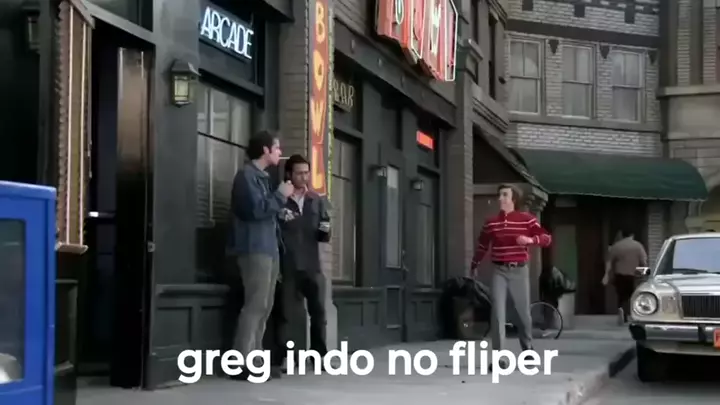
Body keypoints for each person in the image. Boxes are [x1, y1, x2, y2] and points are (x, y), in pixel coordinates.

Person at [227, 130, 293, 381]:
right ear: (265, 150)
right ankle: (240, 361)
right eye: (276, 147)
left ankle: (255, 359)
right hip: (253, 248)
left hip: (269, 247)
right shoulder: (246, 177)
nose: (280, 152)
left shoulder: (262, 178)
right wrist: (280, 196)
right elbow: (254, 210)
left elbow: (265, 210)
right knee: (255, 305)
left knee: (264, 306)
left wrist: (280, 211)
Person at [470, 184, 552, 366]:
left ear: (513, 199)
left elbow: (546, 239)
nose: (500, 198)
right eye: (499, 195)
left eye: (504, 195)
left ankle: (527, 349)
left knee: (522, 314)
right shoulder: (491, 223)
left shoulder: (527, 220)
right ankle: (498, 357)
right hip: (499, 271)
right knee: (497, 313)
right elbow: (482, 246)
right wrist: (474, 265)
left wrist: (530, 239)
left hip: (519, 270)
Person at [275, 154, 331, 372]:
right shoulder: (281, 199)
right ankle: (289, 358)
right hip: (288, 264)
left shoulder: (316, 200)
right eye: (299, 173)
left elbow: (324, 235)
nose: (304, 177)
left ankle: (320, 357)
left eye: (306, 173)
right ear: (289, 174)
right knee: (288, 315)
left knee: (319, 313)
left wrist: (326, 230)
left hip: (312, 264)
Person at [602, 228, 648, 324]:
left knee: (621, 295)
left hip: (619, 274)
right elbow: (643, 261)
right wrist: (644, 274)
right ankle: (631, 313)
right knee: (632, 295)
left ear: (622, 235)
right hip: (633, 275)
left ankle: (621, 311)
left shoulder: (616, 246)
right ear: (632, 235)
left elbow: (609, 262)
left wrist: (606, 275)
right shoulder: (638, 246)